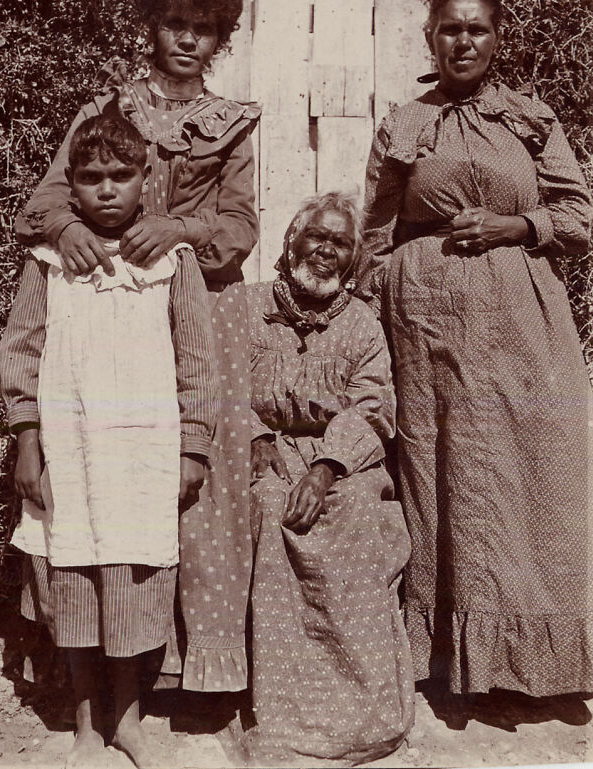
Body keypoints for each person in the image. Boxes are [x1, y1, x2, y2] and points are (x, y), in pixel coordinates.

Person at [14, 0, 260, 694]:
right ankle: (95, 665)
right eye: (174, 24)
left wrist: (177, 228)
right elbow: (43, 201)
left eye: (204, 29)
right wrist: (68, 232)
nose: (187, 40)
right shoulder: (103, 114)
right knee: (96, 476)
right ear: (150, 28)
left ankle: (192, 670)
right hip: (98, 317)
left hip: (195, 309)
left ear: (221, 39)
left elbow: (241, 224)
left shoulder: (231, 124)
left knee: (198, 485)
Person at [358, 0, 593, 701]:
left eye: (477, 30)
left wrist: (515, 226)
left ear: (498, 40)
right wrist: (368, 324)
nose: (463, 41)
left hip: (520, 325)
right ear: (430, 38)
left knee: (531, 473)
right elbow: (375, 229)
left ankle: (532, 665)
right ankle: (446, 663)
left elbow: (580, 216)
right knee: (440, 477)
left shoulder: (529, 120)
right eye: (450, 30)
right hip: (425, 322)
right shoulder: (405, 124)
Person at [0, 113, 219, 767]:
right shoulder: (50, 261)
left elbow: (198, 360)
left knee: (130, 579)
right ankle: (88, 717)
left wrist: (193, 446)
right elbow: (21, 350)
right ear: (73, 184)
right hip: (71, 451)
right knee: (74, 578)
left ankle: (129, 715)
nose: (108, 190)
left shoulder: (172, 262)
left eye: (122, 175)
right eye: (91, 178)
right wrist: (28, 440)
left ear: (145, 179)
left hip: (142, 456)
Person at [229, 193, 414, 766]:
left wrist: (328, 465)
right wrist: (254, 436)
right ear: (292, 244)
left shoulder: (362, 324)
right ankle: (285, 714)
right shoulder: (246, 305)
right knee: (265, 507)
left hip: (342, 459)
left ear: (354, 259)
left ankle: (360, 711)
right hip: (261, 447)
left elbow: (374, 405)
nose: (327, 252)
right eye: (318, 237)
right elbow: (219, 380)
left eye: (341, 244)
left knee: (354, 510)